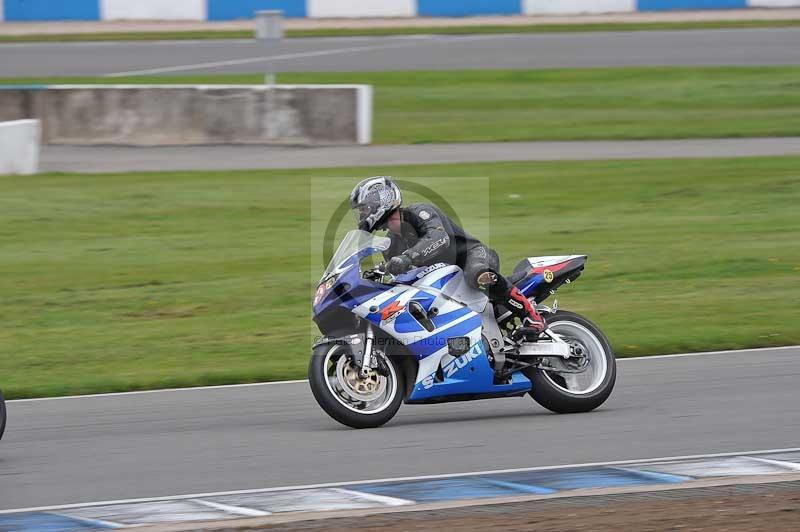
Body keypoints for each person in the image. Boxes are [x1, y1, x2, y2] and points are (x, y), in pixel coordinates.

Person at [349, 176, 545, 333]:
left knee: (478, 274)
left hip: (472, 256)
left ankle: (532, 316)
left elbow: (439, 238)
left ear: (382, 201)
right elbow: (401, 277)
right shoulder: (391, 244)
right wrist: (381, 274)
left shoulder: (419, 212)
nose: (362, 215)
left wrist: (407, 258)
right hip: (446, 282)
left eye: (365, 208)